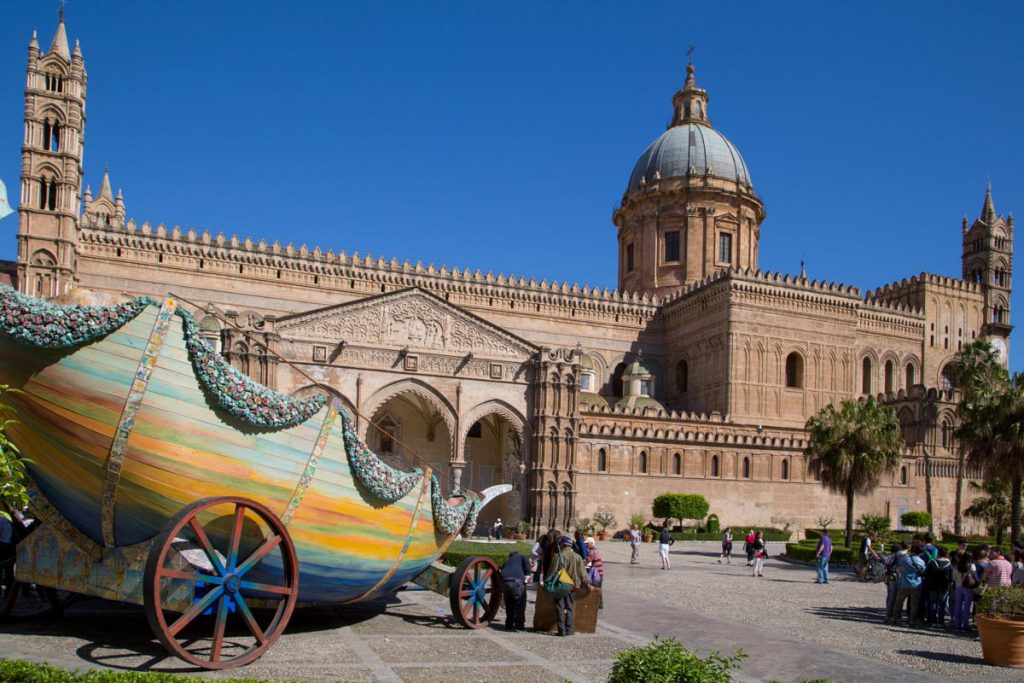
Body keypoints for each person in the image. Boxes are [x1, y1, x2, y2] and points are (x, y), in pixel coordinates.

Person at [545, 535, 589, 636]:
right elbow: (583, 574)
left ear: (562, 545)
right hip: (573, 586)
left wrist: (547, 583)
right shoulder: (578, 557)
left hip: (560, 585)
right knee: (570, 607)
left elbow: (552, 572)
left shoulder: (557, 556)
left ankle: (561, 630)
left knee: (560, 607)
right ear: (570, 546)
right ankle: (569, 630)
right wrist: (587, 584)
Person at [890, 541, 926, 626]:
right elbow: (923, 572)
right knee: (914, 604)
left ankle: (895, 618)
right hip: (916, 584)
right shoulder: (921, 562)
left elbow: (898, 566)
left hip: (904, 582)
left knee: (899, 602)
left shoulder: (905, 558)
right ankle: (912, 620)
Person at [500, 550, 532, 630]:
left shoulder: (507, 561)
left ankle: (509, 624)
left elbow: (501, 570)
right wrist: (527, 577)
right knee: (520, 603)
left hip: (505, 582)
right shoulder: (522, 557)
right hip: (516, 582)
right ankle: (519, 625)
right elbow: (528, 571)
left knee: (509, 604)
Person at [924, 546, 952, 628]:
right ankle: (941, 621)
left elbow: (927, 574)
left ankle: (933, 620)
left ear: (938, 553)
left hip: (933, 585)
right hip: (944, 585)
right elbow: (951, 576)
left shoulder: (932, 563)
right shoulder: (949, 564)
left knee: (933, 603)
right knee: (942, 603)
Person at [952, 550, 979, 631]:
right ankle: (965, 624)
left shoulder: (957, 566)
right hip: (968, 587)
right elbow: (975, 577)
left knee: (958, 605)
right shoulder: (972, 566)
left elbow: (954, 578)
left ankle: (957, 623)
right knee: (967, 606)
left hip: (958, 586)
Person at [584, 536, 604, 609]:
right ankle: (600, 603)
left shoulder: (591, 551)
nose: (585, 545)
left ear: (591, 543)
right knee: (599, 588)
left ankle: (598, 603)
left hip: (597, 573)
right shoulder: (595, 550)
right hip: (600, 572)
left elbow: (586, 561)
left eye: (587, 543)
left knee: (595, 587)